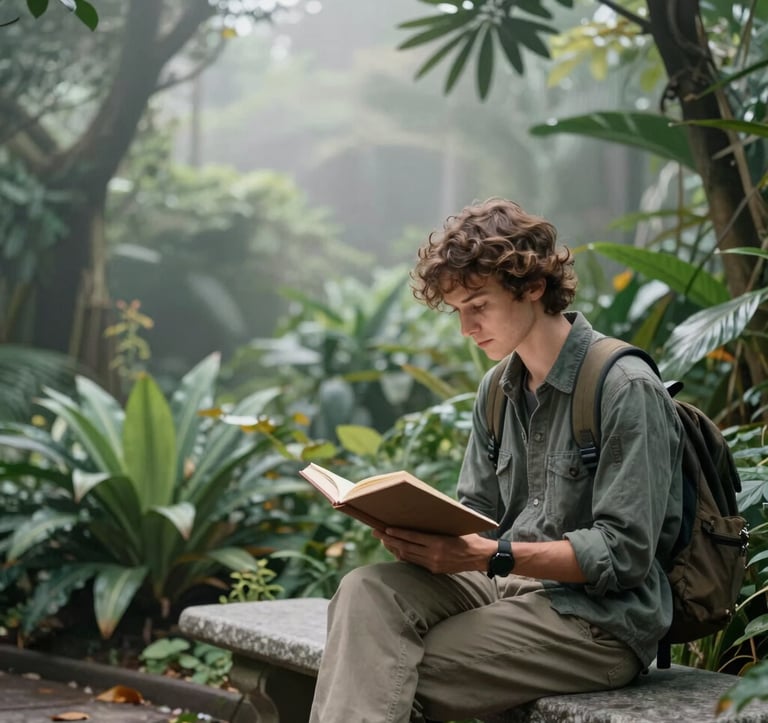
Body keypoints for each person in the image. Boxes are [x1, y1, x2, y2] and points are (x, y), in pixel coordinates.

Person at [309, 198, 684, 723]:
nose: (466, 328)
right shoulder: (497, 389)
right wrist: (416, 531)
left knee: (380, 667)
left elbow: (624, 555)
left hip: (596, 621)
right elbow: (475, 515)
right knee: (365, 591)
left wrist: (492, 555)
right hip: (504, 590)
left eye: (478, 306)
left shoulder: (623, 388)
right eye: (457, 310)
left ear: (532, 287)